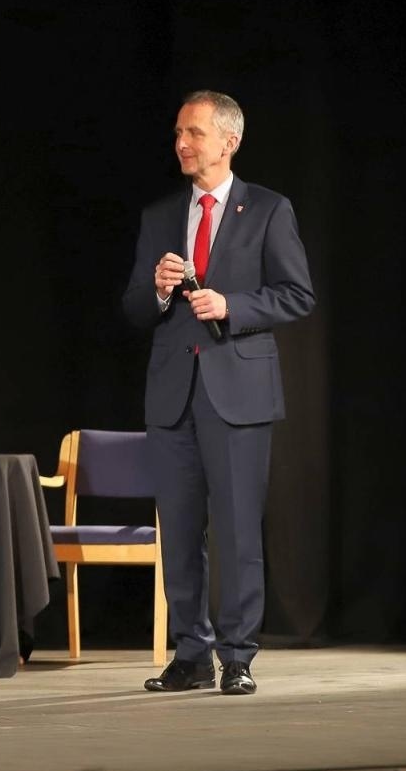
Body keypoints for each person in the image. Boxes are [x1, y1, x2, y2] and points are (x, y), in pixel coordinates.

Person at [124, 90, 315, 697]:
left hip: (238, 391)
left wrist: (233, 305)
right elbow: (133, 308)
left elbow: (296, 294)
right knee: (178, 531)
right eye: (178, 132)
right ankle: (190, 654)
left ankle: (237, 655)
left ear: (229, 141)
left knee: (234, 530)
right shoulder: (159, 216)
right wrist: (156, 292)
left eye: (195, 133)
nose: (183, 143)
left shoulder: (267, 210)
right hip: (172, 393)